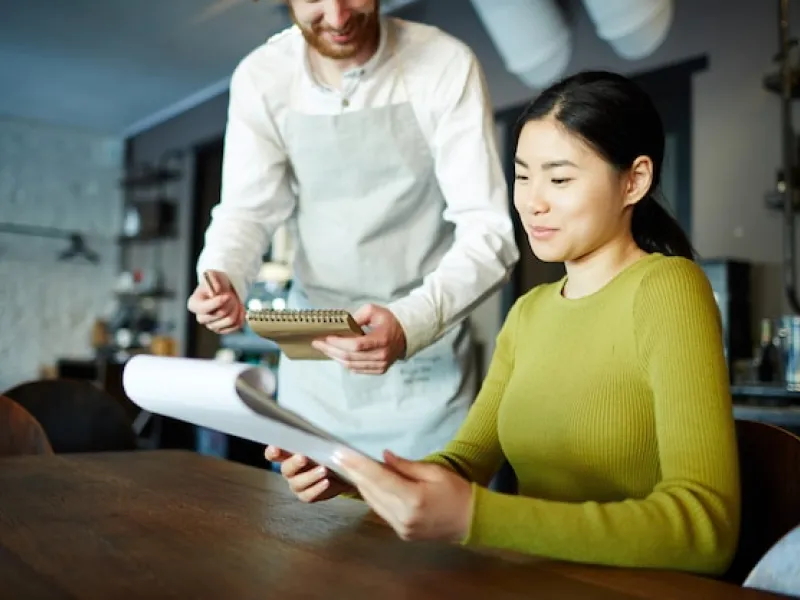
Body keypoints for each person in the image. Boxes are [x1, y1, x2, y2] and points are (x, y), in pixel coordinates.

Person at [266, 70, 742, 576]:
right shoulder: (529, 312)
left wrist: (478, 515)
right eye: (522, 176)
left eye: (559, 179)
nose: (532, 201)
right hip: (529, 582)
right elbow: (465, 462)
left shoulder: (668, 288)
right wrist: (361, 478)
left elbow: (707, 527)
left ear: (634, 181)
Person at [187, 0, 519, 461]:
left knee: (426, 530)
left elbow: (490, 234)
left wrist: (410, 322)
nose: (339, 17)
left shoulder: (445, 63)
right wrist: (222, 274)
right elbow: (247, 210)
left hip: (425, 372)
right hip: (315, 375)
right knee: (306, 528)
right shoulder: (261, 77)